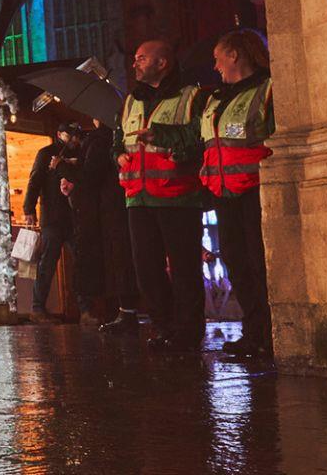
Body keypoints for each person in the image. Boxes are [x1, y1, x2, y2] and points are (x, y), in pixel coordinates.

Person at [117, 39, 206, 351]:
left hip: (177, 194)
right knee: (147, 270)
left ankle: (187, 333)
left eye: (141, 58)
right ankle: (164, 326)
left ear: (162, 63)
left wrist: (163, 136)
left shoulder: (191, 96)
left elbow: (201, 136)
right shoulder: (131, 101)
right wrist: (118, 154)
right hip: (138, 196)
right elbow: (120, 138)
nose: (135, 64)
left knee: (184, 270)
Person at [200, 28, 274, 357]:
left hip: (256, 189)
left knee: (260, 264)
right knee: (236, 261)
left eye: (218, 59)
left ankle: (269, 333)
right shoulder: (217, 99)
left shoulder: (268, 89)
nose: (215, 66)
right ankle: (253, 329)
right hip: (224, 192)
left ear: (235, 55)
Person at [69, 113, 141, 332]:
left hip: (107, 209)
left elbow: (92, 174)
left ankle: (122, 311)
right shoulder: (113, 139)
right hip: (122, 202)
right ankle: (126, 310)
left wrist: (72, 177)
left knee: (114, 260)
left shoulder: (99, 140)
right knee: (122, 258)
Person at [24, 123, 80, 321]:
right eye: (69, 134)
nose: (73, 138)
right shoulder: (46, 153)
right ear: (59, 134)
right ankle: (37, 308)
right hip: (53, 217)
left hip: (73, 217)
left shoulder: (80, 153)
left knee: (81, 262)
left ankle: (85, 309)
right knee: (47, 264)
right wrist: (29, 209)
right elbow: (35, 180)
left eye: (75, 135)